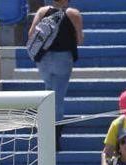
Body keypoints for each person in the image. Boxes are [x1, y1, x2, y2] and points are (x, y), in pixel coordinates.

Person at [28, 0, 83, 146]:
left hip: (43, 58)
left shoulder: (42, 11)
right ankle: (53, 138)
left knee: (48, 91)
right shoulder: (73, 13)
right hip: (63, 58)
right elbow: (80, 39)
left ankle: (45, 132)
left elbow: (31, 34)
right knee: (57, 98)